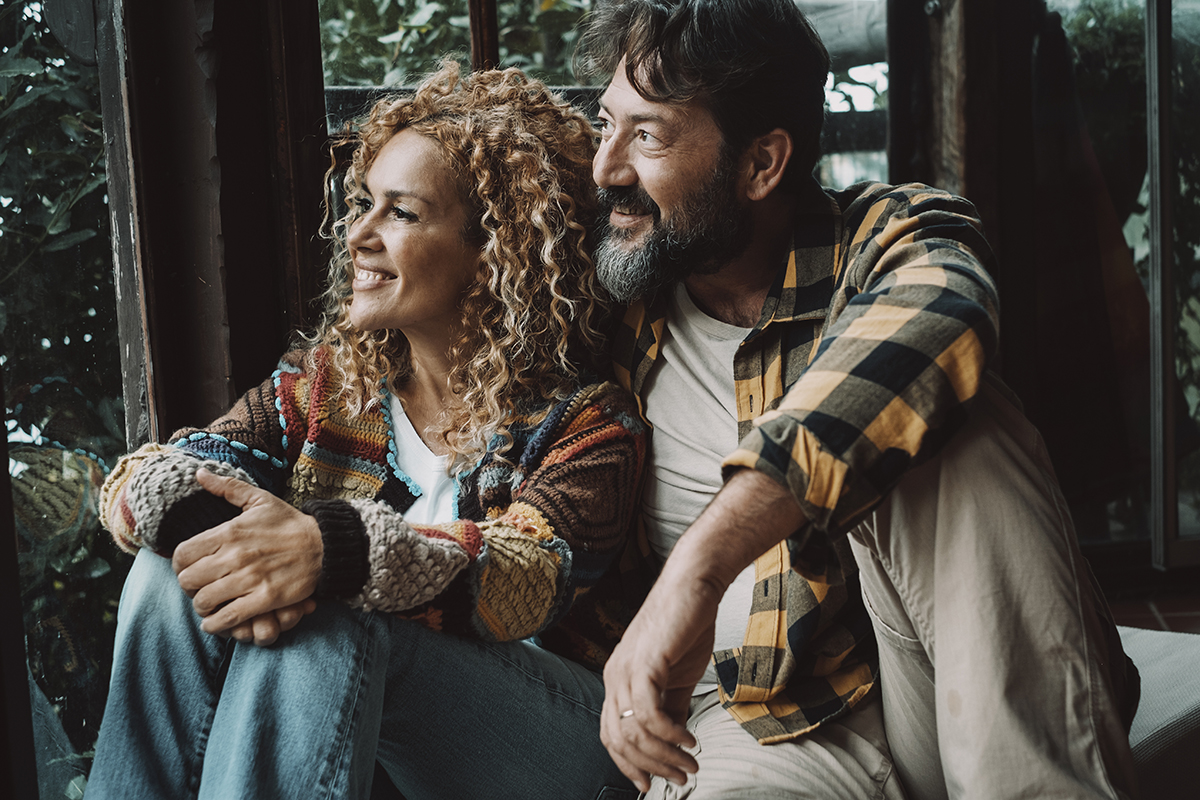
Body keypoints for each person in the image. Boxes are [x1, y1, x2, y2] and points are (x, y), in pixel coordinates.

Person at [576, 1, 1141, 798]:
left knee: (957, 423)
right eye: (606, 123)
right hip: (759, 722)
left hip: (943, 681)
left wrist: (696, 573)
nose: (606, 167)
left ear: (762, 164)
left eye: (648, 134)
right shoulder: (611, 296)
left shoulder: (885, 233)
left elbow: (943, 313)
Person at [86, 62, 645, 800]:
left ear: (494, 251)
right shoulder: (329, 386)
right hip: (374, 725)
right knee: (171, 574)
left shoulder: (588, 421)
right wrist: (221, 540)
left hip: (559, 738)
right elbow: (148, 479)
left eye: (401, 213)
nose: (358, 236)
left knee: (331, 613)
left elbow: (525, 578)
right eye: (363, 205)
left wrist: (331, 550)